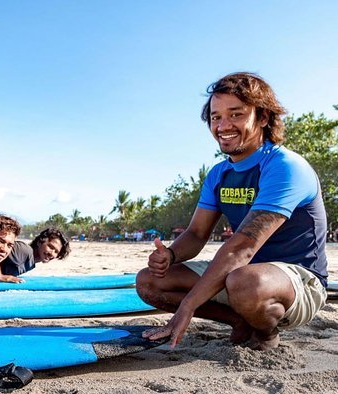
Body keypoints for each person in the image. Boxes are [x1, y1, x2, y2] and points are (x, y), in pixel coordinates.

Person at [137, 72, 328, 351]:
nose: (223, 125)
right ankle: (240, 322)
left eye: (236, 114)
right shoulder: (219, 174)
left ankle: (266, 333)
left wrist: (187, 307)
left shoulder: (285, 166)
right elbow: (197, 233)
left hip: (297, 281)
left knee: (244, 281)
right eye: (216, 117)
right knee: (149, 281)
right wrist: (171, 254)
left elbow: (243, 248)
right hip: (240, 272)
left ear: (262, 117)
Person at [0, 228, 71, 283]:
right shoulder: (25, 251)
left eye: (56, 252)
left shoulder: (31, 263)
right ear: (40, 242)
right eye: (50, 246)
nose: (52, 253)